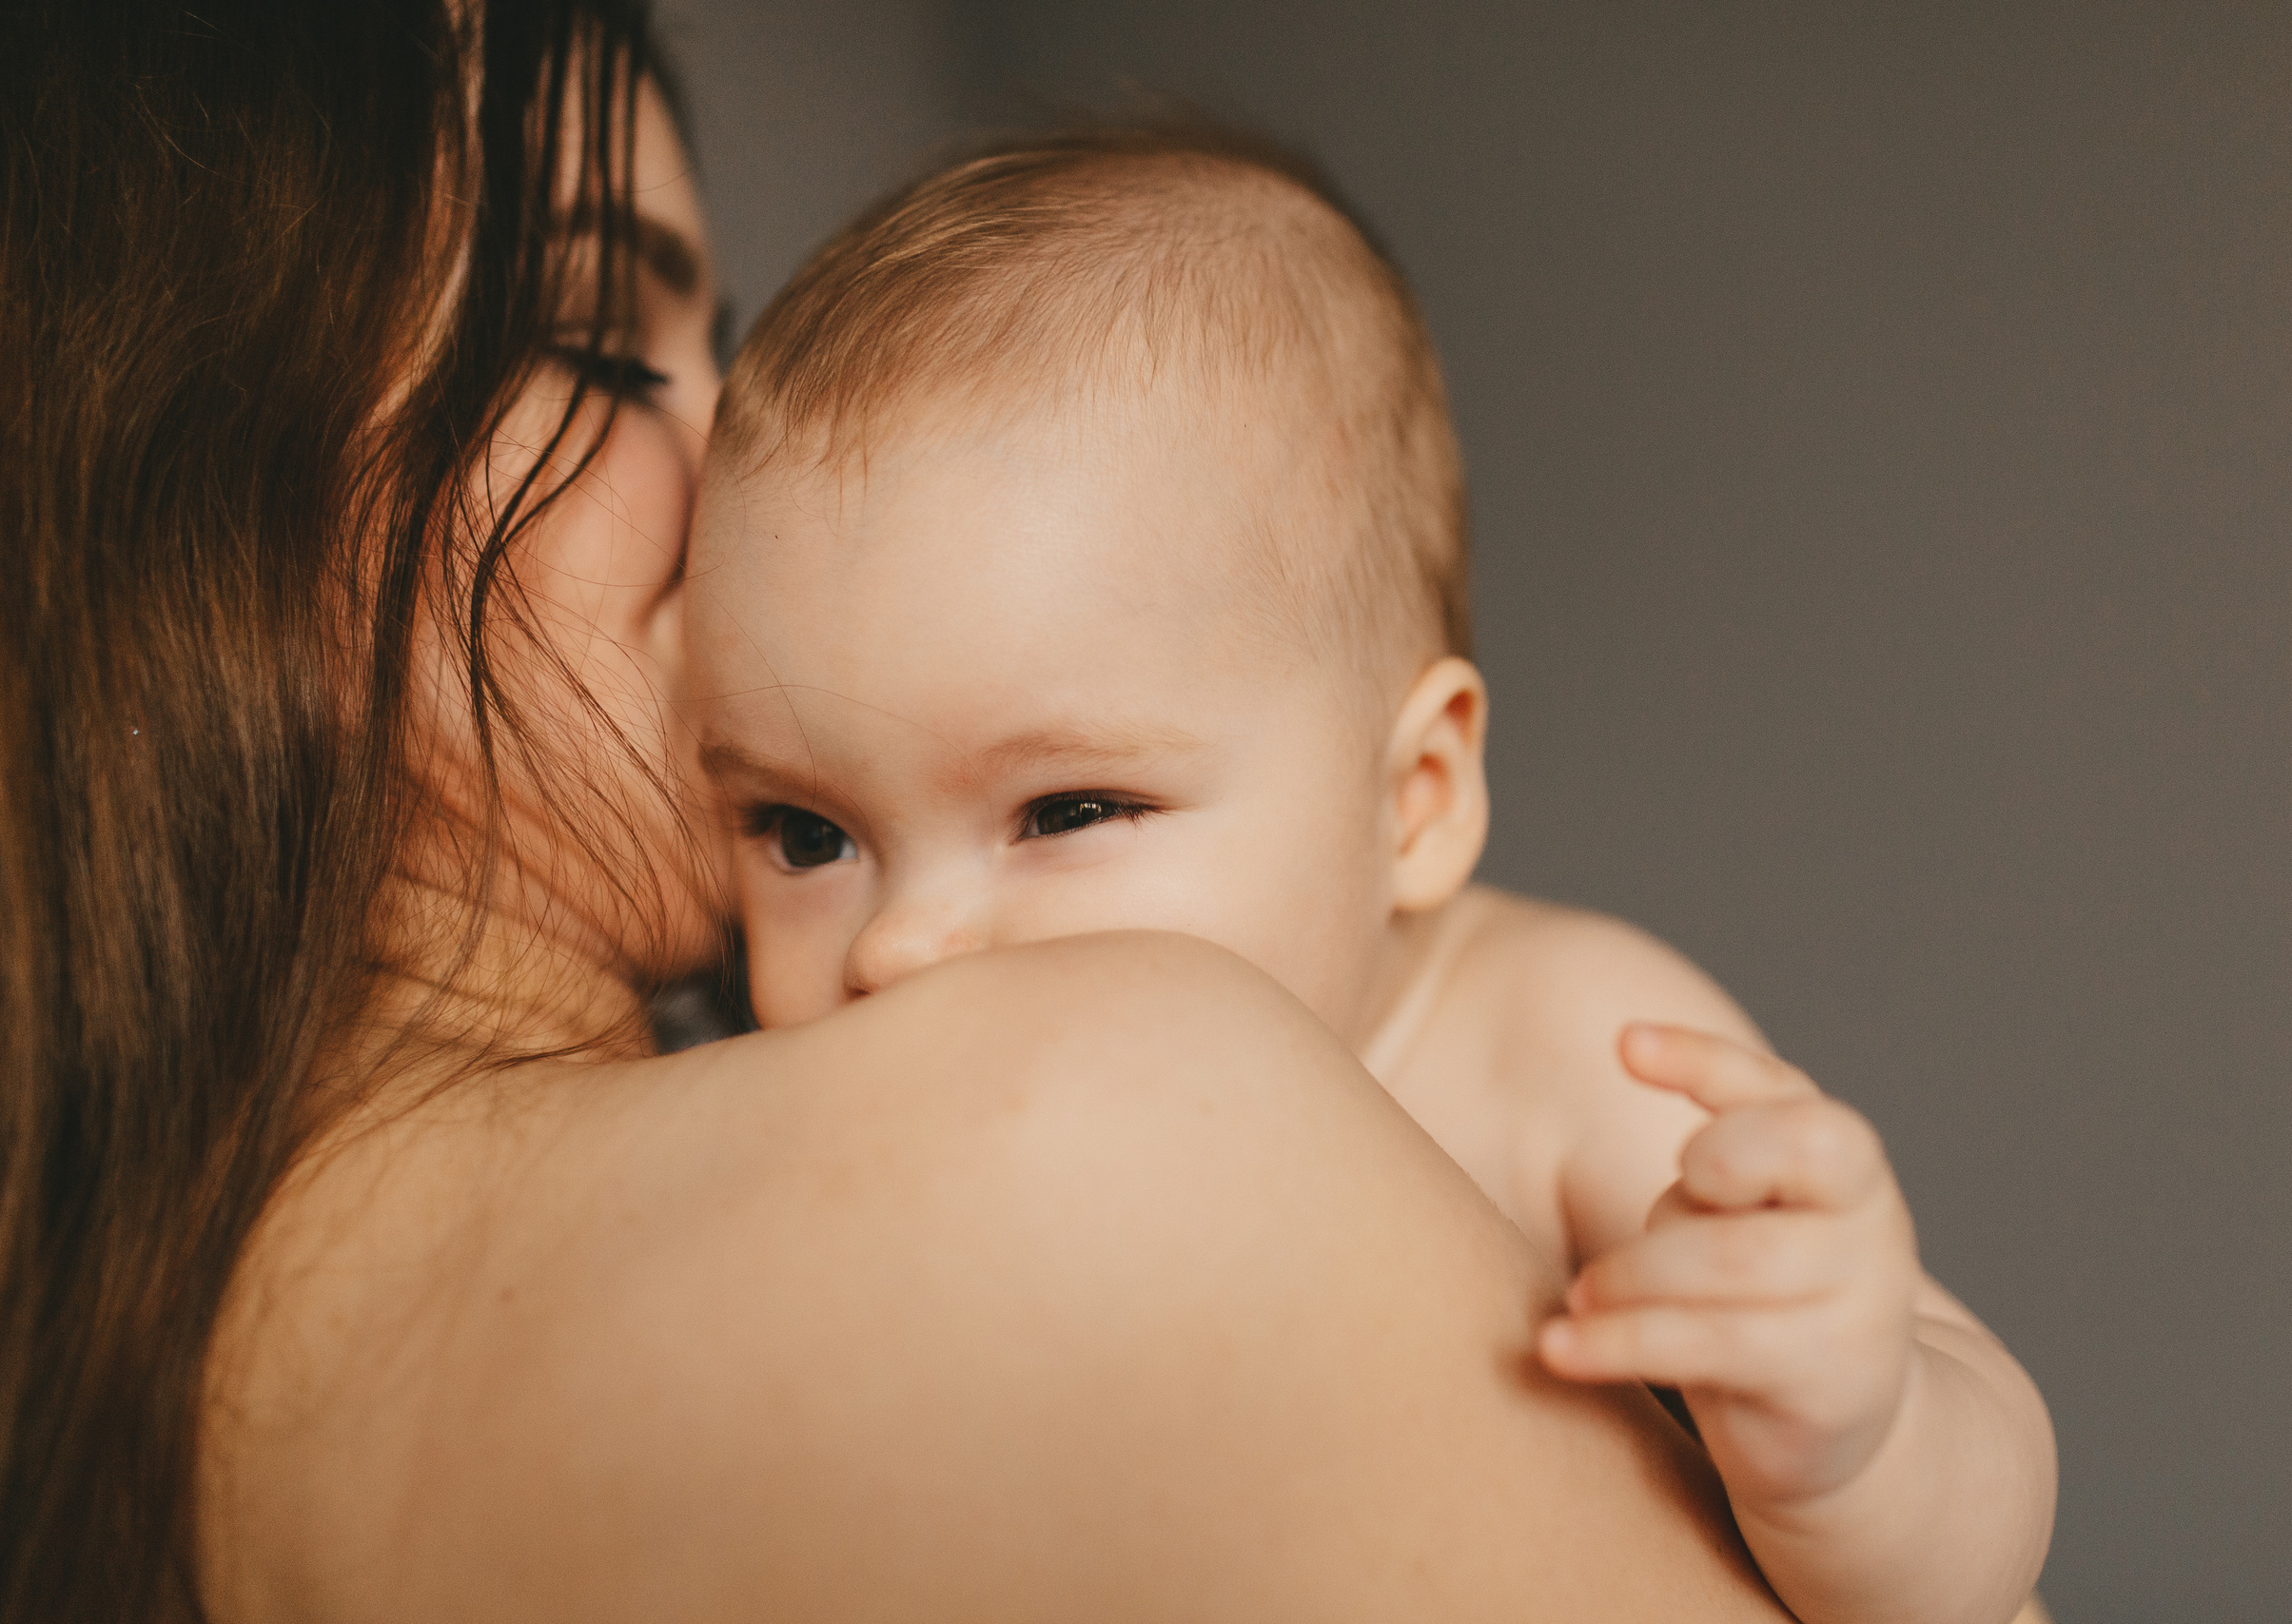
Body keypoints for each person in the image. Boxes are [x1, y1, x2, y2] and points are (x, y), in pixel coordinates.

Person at [5, 3, 1812, 1619]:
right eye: (601, 342)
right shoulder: (1099, 1122)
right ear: (182, 469)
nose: (758, 481)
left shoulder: (114, 1389)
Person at [689, 130, 2056, 1624]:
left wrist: (1856, 1443)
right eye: (805, 834)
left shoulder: (1550, 1049)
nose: (898, 948)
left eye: (1068, 807)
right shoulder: (845, 1166)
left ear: (1413, 802)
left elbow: (1979, 1539)